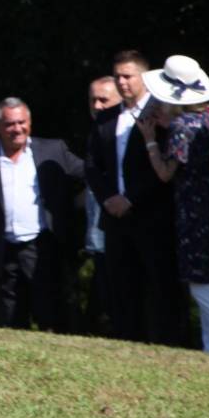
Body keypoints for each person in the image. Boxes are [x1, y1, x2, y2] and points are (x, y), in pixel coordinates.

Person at [136, 55, 209, 356]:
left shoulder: (182, 126)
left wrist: (149, 140)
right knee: (207, 281)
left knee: (202, 286)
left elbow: (165, 172)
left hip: (194, 208)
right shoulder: (208, 118)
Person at [0, 97, 86, 331]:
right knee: (9, 315)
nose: (17, 129)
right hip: (2, 250)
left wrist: (73, 208)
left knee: (49, 312)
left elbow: (89, 175)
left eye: (21, 122)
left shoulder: (53, 150)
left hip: (42, 246)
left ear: (30, 123)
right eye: (10, 124)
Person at [86, 50, 183, 345]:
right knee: (122, 287)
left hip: (151, 214)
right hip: (114, 216)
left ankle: (171, 344)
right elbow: (92, 164)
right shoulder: (105, 118)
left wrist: (131, 198)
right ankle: (128, 342)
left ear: (143, 76)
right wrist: (109, 199)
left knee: (161, 284)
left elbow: (163, 169)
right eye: (117, 77)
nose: (122, 82)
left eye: (128, 76)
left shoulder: (161, 114)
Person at [82, 77, 122, 333]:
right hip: (99, 236)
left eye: (104, 100)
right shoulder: (96, 135)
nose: (97, 105)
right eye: (93, 100)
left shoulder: (123, 134)